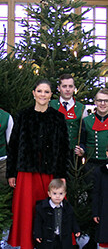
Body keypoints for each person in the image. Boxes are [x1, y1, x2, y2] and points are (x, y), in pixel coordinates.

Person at [6, 79, 70, 249]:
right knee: (27, 212)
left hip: (50, 174)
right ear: (33, 93)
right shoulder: (22, 116)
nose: (43, 95)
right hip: (26, 172)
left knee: (51, 211)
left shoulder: (58, 118)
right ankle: (27, 243)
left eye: (46, 92)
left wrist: (61, 174)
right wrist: (11, 173)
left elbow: (64, 148)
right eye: (39, 91)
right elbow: (13, 146)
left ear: (51, 95)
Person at [74, 88, 108, 249]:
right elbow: (82, 141)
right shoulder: (87, 121)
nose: (102, 103)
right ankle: (93, 238)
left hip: (107, 167)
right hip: (91, 166)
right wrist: (82, 150)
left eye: (106, 101)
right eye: (100, 100)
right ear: (95, 102)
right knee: (92, 201)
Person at [34, 178, 81, 249]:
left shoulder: (67, 207)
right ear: (49, 194)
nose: (58, 196)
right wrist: (38, 234)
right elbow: (38, 223)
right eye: (54, 193)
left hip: (63, 237)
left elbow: (72, 219)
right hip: (48, 237)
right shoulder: (42, 208)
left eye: (61, 193)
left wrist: (76, 229)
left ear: (65, 194)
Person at [50, 74, 88, 151]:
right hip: (53, 152)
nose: (67, 89)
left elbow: (85, 134)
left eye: (70, 86)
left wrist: (82, 148)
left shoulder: (82, 108)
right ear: (59, 88)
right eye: (64, 86)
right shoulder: (50, 105)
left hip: (73, 153)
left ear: (74, 88)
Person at [92, 150, 108, 249]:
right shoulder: (100, 171)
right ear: (107, 153)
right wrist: (95, 213)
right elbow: (96, 193)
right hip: (104, 211)